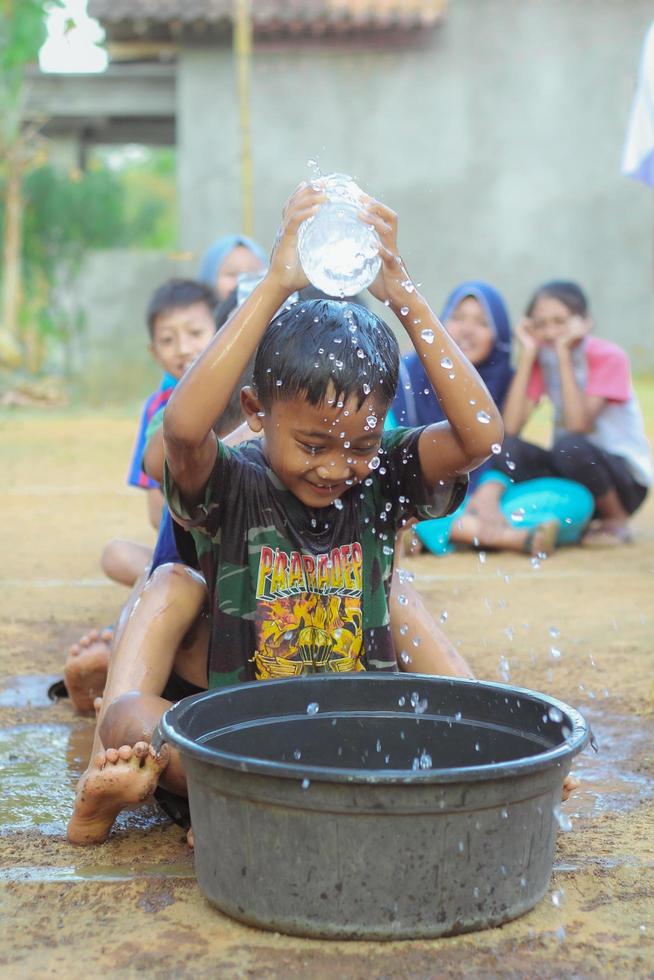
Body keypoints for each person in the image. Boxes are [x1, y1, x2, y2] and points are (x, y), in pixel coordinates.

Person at [66, 183, 502, 844]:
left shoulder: (382, 473)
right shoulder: (237, 483)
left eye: (357, 444)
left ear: (381, 428)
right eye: (311, 444)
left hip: (353, 743)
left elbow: (479, 440)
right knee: (127, 721)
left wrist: (406, 297)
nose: (335, 467)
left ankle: (495, 743)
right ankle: (121, 795)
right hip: (242, 746)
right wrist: (273, 282)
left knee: (401, 601)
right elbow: (182, 433)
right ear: (254, 413)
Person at [63, 279, 218, 710]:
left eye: (194, 333)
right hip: (181, 547)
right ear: (153, 352)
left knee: (155, 580)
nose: (183, 348)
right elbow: (158, 512)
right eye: (168, 340)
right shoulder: (160, 409)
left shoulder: (239, 394)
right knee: (149, 575)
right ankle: (112, 668)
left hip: (228, 553)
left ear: (224, 331)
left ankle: (115, 656)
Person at [391, 281, 587, 557]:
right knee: (398, 504)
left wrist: (490, 491)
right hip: (417, 496)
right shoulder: (408, 375)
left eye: (482, 323)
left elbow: (506, 440)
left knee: (577, 499)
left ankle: (440, 531)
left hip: (486, 499)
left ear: (499, 335)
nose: (467, 330)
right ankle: (497, 535)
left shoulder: (510, 381)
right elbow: (389, 449)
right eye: (458, 318)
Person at [492, 280, 652, 545]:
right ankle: (567, 519)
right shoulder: (541, 359)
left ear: (584, 322)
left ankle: (616, 521)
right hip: (574, 467)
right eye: (540, 324)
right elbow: (510, 427)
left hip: (623, 482)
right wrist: (528, 354)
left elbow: (578, 424)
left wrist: (564, 354)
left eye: (560, 321)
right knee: (507, 449)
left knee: (571, 446)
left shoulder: (610, 357)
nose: (550, 332)